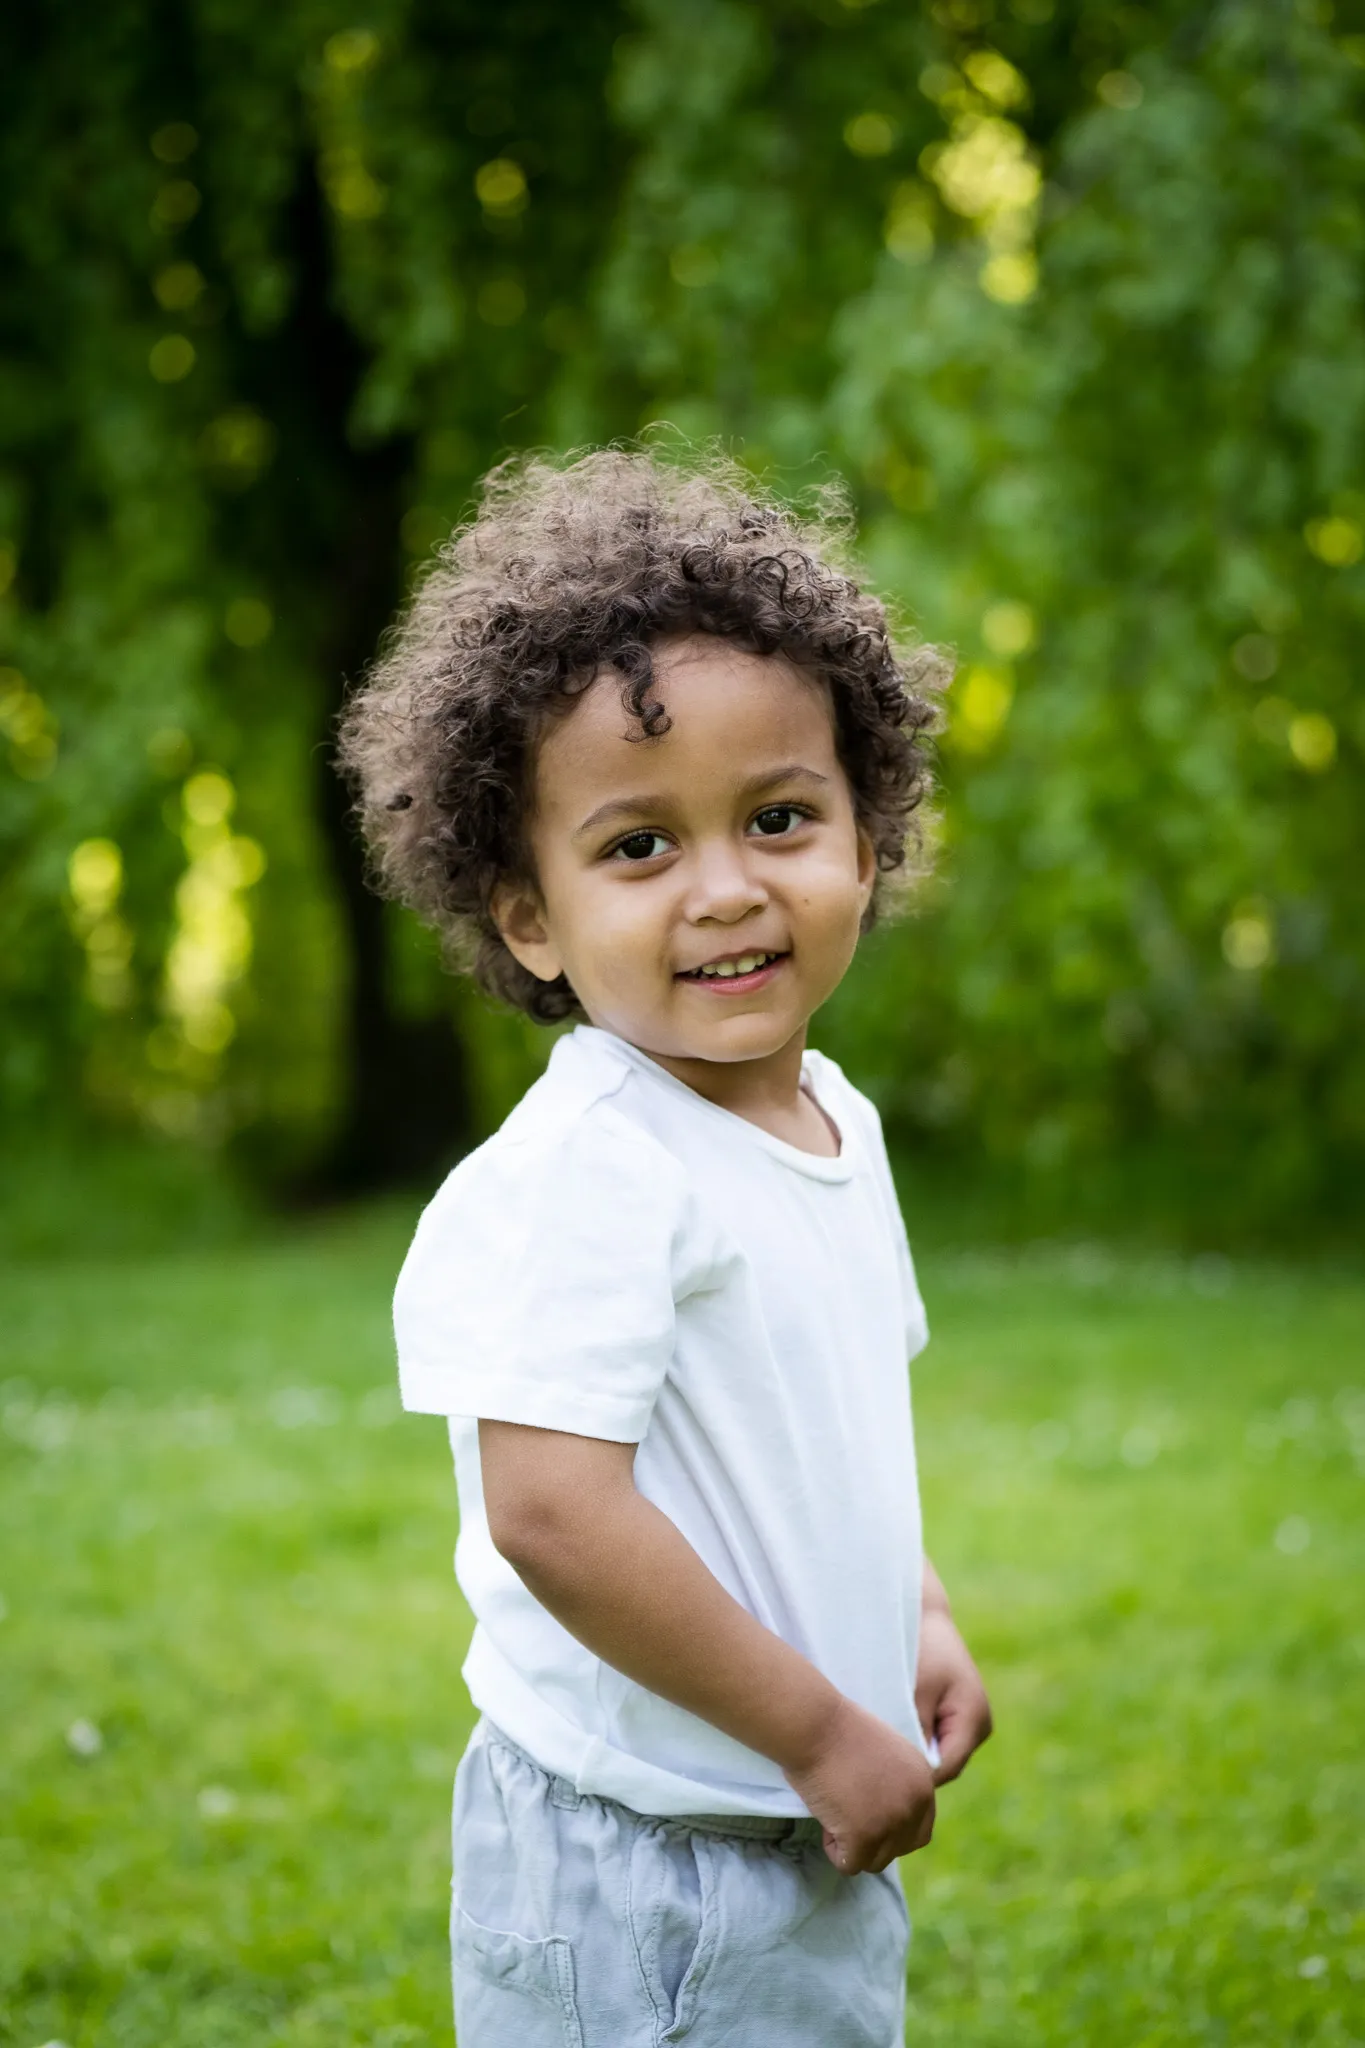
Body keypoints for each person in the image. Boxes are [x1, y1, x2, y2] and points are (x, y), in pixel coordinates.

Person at [338, 447, 993, 2047]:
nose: (724, 889)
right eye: (638, 846)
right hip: (643, 1868)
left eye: (780, 817)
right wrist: (818, 1735)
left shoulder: (832, 1120)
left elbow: (821, 1438)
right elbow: (554, 1514)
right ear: (530, 916)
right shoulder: (594, 1171)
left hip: (785, 1819)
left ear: (867, 838)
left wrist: (905, 1618)